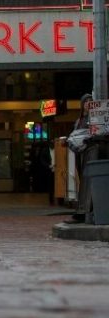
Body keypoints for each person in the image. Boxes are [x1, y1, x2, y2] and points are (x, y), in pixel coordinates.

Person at [70, 93, 99, 223]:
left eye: (90, 101)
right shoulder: (79, 120)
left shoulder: (95, 118)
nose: (88, 104)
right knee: (83, 181)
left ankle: (86, 210)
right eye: (86, 101)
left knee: (89, 180)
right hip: (80, 153)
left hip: (91, 152)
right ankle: (82, 209)